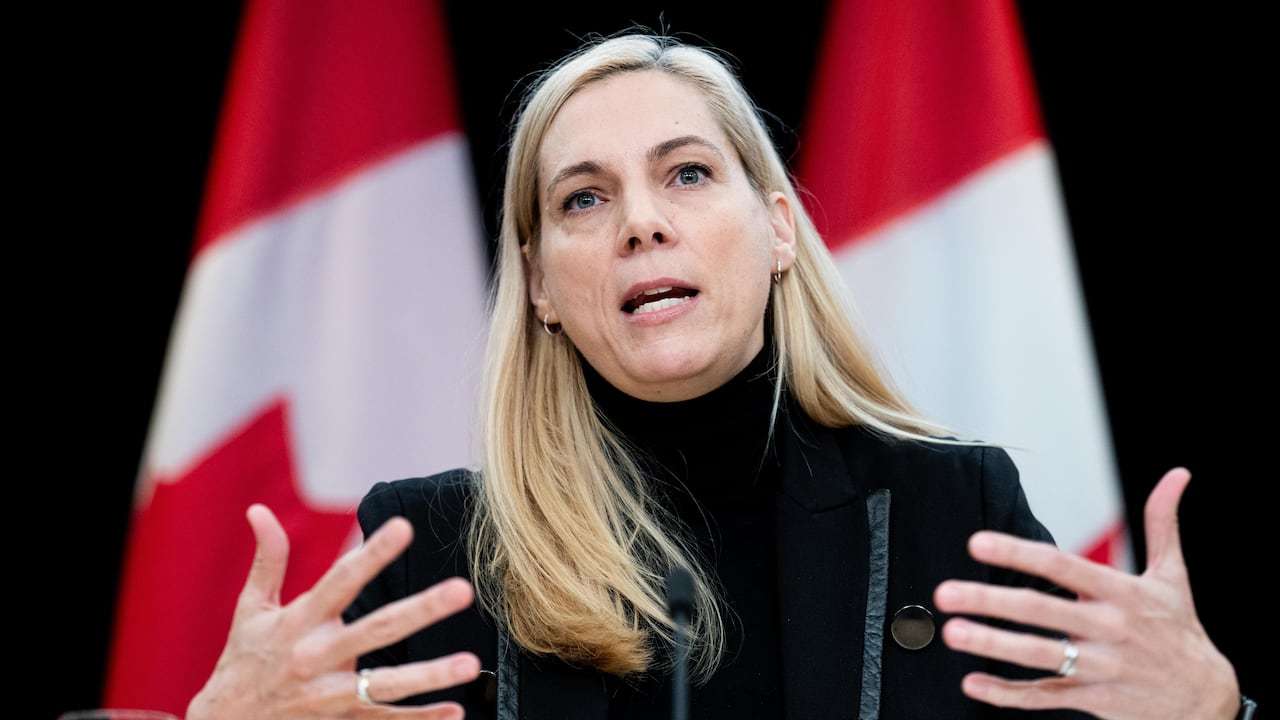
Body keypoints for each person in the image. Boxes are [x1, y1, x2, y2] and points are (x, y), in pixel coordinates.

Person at [186, 31, 1252, 720]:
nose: (641, 221)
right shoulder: (429, 554)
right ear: (540, 285)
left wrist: (1211, 714)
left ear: (777, 231)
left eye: (687, 174)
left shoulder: (951, 508)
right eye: (582, 200)